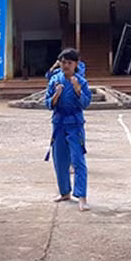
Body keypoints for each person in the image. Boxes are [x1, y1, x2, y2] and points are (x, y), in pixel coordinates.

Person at [46, 48, 92, 211]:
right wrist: (56, 95)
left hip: (75, 124)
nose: (66, 66)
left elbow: (86, 103)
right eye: (63, 62)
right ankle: (64, 191)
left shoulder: (81, 81)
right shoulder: (55, 80)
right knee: (60, 160)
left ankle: (82, 196)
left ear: (76, 64)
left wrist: (78, 90)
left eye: (69, 63)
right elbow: (47, 103)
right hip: (58, 123)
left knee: (78, 160)